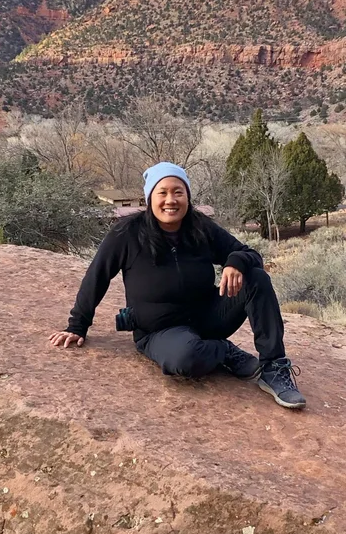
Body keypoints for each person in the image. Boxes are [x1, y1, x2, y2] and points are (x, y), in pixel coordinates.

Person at [49, 161, 305, 409]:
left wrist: (235, 262)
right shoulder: (127, 233)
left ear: (187, 197)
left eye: (178, 192)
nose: (170, 200)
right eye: (162, 192)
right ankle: (223, 350)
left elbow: (250, 254)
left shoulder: (200, 226)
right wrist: (78, 325)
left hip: (208, 318)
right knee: (185, 359)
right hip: (160, 331)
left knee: (256, 277)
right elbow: (97, 276)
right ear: (150, 198)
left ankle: (273, 367)